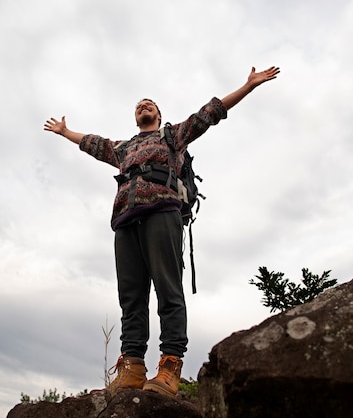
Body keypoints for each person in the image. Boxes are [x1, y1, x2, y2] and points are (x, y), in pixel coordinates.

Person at [44, 65, 280, 397]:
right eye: (139, 105)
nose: (144, 107)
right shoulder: (123, 149)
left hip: (162, 210)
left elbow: (209, 114)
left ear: (158, 114)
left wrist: (248, 86)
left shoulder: (173, 136)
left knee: (168, 289)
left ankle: (170, 366)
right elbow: (92, 143)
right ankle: (133, 368)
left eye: (150, 104)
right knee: (131, 297)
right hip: (125, 218)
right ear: (134, 116)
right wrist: (65, 132)